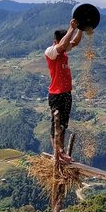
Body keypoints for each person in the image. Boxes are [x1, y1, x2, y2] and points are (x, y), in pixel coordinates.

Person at [44, 18, 83, 162]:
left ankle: (60, 151)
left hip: (66, 92)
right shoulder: (51, 51)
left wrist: (80, 29)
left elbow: (75, 42)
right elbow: (63, 46)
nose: (67, 46)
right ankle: (58, 151)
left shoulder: (63, 51)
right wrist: (71, 29)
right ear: (57, 41)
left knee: (63, 124)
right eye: (64, 41)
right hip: (56, 94)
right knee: (56, 124)